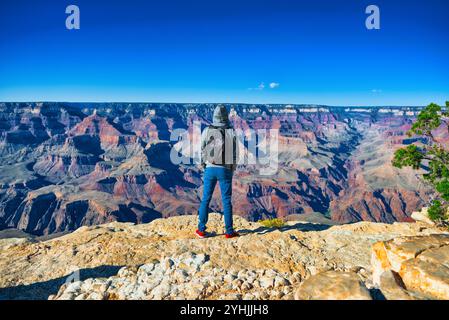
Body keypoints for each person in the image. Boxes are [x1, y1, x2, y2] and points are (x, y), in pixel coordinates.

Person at [196, 105, 239, 239]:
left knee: (205, 199)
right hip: (225, 169)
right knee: (226, 200)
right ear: (226, 116)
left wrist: (203, 165)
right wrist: (231, 169)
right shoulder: (231, 131)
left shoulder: (207, 130)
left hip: (210, 168)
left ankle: (201, 230)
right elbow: (235, 153)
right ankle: (229, 231)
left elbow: (201, 149)